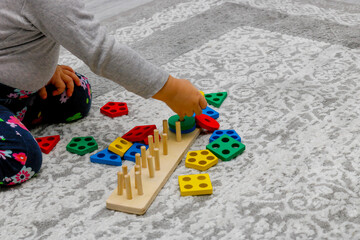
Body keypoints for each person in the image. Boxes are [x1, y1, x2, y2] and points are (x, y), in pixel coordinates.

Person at [0, 0, 207, 186]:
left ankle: (10, 119)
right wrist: (169, 90)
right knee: (21, 159)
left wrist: (41, 67)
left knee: (76, 95)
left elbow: (26, 28)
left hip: (13, 89)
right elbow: (101, 52)